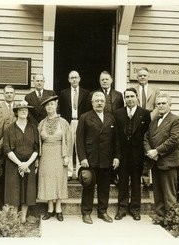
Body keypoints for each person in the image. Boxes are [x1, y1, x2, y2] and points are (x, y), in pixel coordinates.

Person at [76, 91, 120, 224]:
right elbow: (79, 140)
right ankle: (86, 212)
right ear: (92, 103)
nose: (99, 103)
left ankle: (102, 212)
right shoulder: (84, 117)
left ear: (105, 103)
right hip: (91, 158)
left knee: (104, 187)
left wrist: (117, 156)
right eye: (97, 101)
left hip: (106, 158)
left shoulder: (111, 117)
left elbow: (116, 140)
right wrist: (82, 158)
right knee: (88, 185)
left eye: (101, 101)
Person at [143, 93, 179, 225]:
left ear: (169, 105)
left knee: (169, 194)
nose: (160, 106)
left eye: (163, 103)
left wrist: (157, 151)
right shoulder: (154, 121)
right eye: (158, 104)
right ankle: (160, 217)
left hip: (168, 162)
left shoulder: (177, 120)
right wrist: (149, 151)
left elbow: (173, 140)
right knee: (158, 192)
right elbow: (146, 137)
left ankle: (171, 220)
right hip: (155, 161)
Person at [114, 88, 151, 221]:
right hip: (123, 154)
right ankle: (122, 208)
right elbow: (116, 136)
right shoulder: (118, 113)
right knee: (123, 181)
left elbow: (148, 135)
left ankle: (135, 209)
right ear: (124, 99)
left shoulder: (145, 114)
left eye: (132, 96)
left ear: (137, 98)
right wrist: (117, 155)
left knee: (136, 182)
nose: (129, 99)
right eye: (127, 97)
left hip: (138, 154)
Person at [37, 95, 72, 222]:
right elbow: (38, 142)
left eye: (52, 104)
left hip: (59, 153)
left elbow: (69, 140)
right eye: (47, 105)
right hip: (46, 154)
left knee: (59, 180)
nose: (49, 107)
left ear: (56, 105)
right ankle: (50, 208)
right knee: (48, 180)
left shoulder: (63, 123)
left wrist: (67, 156)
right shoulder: (41, 123)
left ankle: (58, 209)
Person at [3, 100, 39, 223]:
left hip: (29, 164)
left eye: (26, 110)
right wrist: (20, 164)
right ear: (16, 112)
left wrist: (27, 164)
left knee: (27, 191)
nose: (24, 111)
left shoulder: (34, 128)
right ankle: (14, 219)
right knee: (14, 190)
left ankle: (23, 218)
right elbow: (7, 149)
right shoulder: (9, 129)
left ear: (28, 112)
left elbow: (36, 149)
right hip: (13, 164)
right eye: (21, 110)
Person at [59, 70, 90, 180]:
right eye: (72, 78)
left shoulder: (86, 93)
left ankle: (79, 171)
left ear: (79, 78)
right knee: (69, 145)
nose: (74, 79)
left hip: (80, 121)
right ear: (68, 80)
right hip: (68, 122)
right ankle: (68, 172)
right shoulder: (64, 93)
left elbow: (87, 110)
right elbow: (61, 109)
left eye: (76, 77)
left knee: (80, 145)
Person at [134, 67, 161, 188]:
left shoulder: (155, 90)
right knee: (137, 148)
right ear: (137, 77)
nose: (142, 77)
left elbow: (157, 106)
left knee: (149, 147)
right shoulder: (133, 90)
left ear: (148, 77)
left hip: (151, 122)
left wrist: (148, 118)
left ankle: (146, 179)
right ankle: (136, 177)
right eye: (140, 75)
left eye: (145, 75)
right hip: (136, 122)